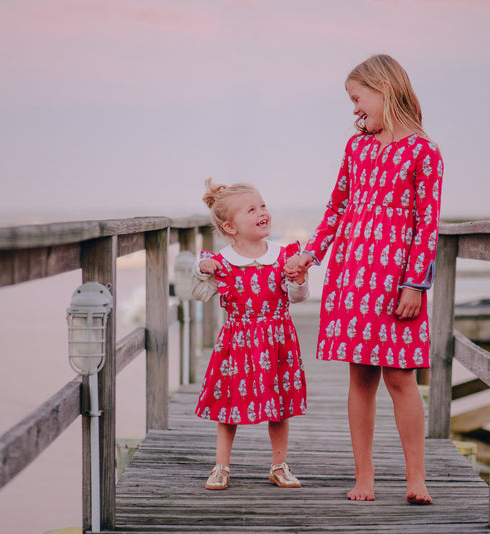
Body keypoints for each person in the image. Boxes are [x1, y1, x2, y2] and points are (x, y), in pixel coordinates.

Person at [285, 54, 443, 505]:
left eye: (358, 99)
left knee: (401, 377)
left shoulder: (423, 152)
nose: (354, 109)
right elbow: (337, 208)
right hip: (354, 275)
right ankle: (365, 475)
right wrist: (310, 255)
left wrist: (415, 284)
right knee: (361, 377)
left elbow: (426, 225)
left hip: (397, 282)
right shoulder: (357, 149)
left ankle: (417, 478)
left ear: (384, 89)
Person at [192, 178, 309, 491]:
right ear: (231, 227)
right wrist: (201, 267)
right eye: (251, 209)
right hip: (238, 341)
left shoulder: (284, 255)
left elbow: (298, 297)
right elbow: (199, 292)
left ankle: (279, 465)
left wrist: (298, 277)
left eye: (263, 205)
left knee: (280, 404)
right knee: (230, 405)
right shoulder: (222, 262)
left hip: (277, 339)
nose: (262, 212)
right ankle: (221, 466)